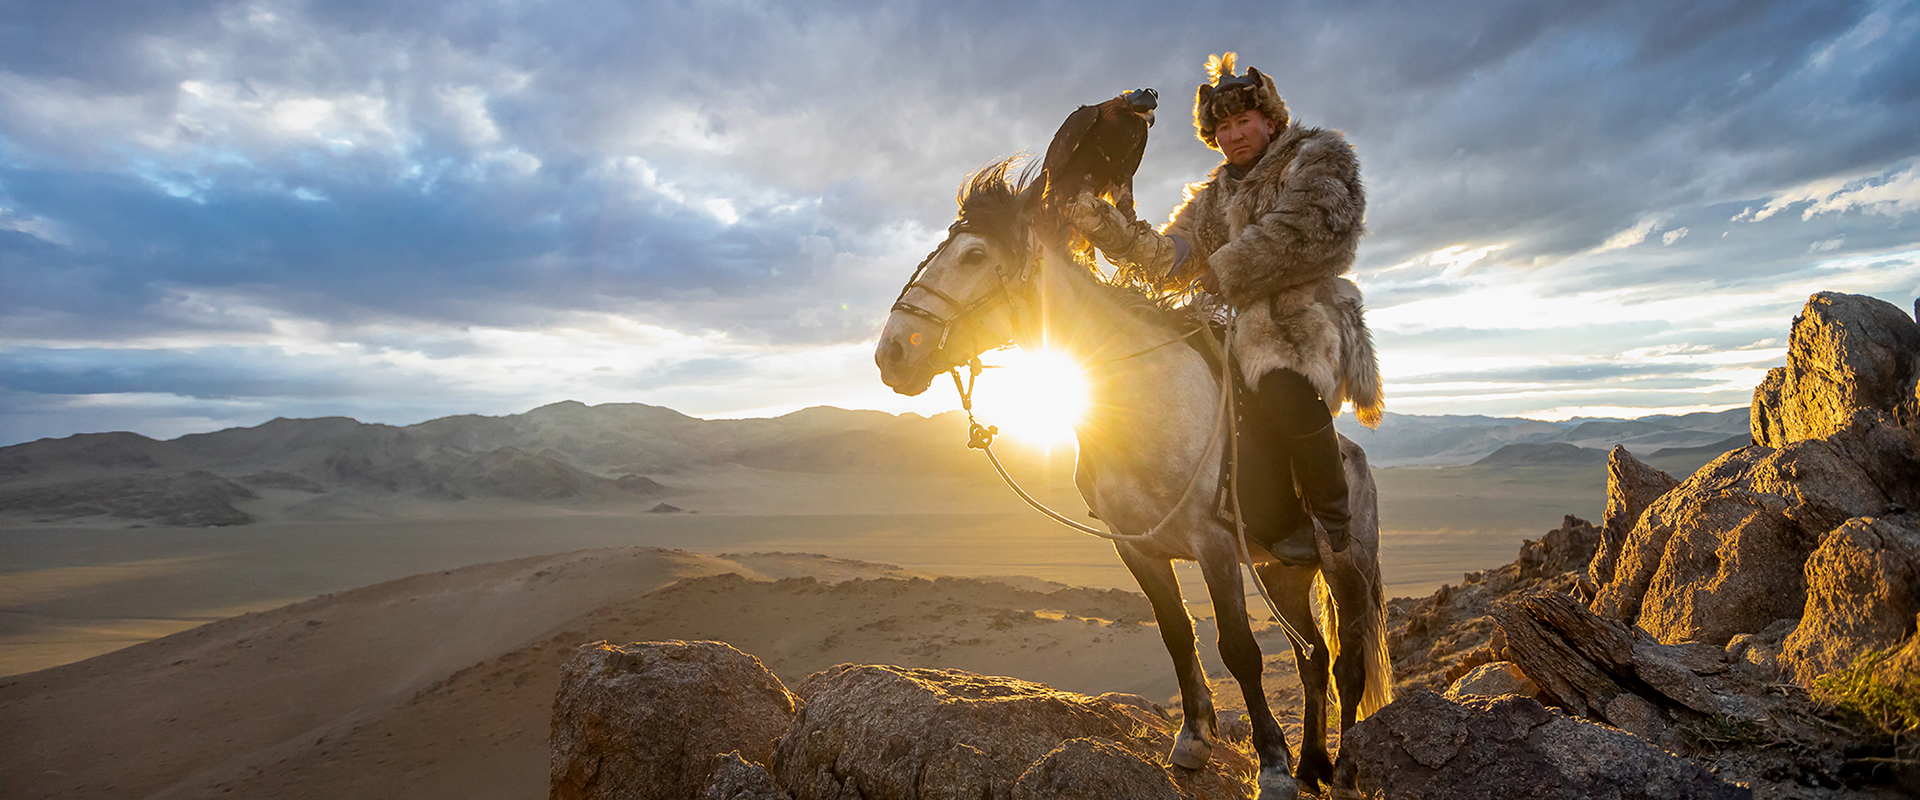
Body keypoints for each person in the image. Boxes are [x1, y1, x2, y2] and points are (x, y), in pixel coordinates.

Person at [1069, 52, 1383, 566]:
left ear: (1270, 120)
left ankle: (1330, 520)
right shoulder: (1213, 195)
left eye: (1243, 121)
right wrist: (1114, 229)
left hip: (1300, 315)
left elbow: (1309, 231)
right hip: (1223, 318)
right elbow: (1172, 256)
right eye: (1223, 127)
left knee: (1280, 384)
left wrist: (1226, 267)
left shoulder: (1319, 160)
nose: (1234, 134)